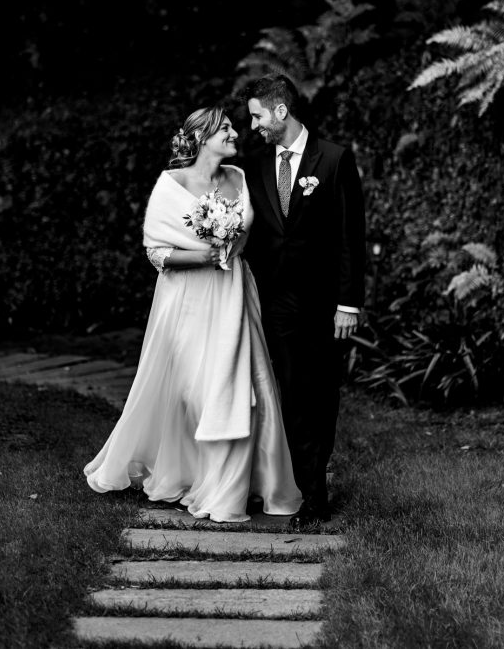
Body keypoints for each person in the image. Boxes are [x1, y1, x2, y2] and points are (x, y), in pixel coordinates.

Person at [84, 106, 302, 523]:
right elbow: (156, 253)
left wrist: (229, 250)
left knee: (246, 390)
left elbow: (251, 233)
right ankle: (191, 473)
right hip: (187, 300)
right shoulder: (171, 184)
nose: (236, 133)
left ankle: (243, 486)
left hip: (235, 292)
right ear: (201, 138)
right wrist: (203, 255)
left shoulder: (238, 177)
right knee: (194, 393)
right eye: (225, 129)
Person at [243, 74, 366, 528]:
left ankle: (315, 475)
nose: (251, 125)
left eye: (257, 115)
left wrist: (349, 303)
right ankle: (312, 496)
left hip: (325, 303)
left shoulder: (334, 159)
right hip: (278, 302)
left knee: (323, 395)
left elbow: (352, 236)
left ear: (280, 111)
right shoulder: (254, 165)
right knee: (293, 394)